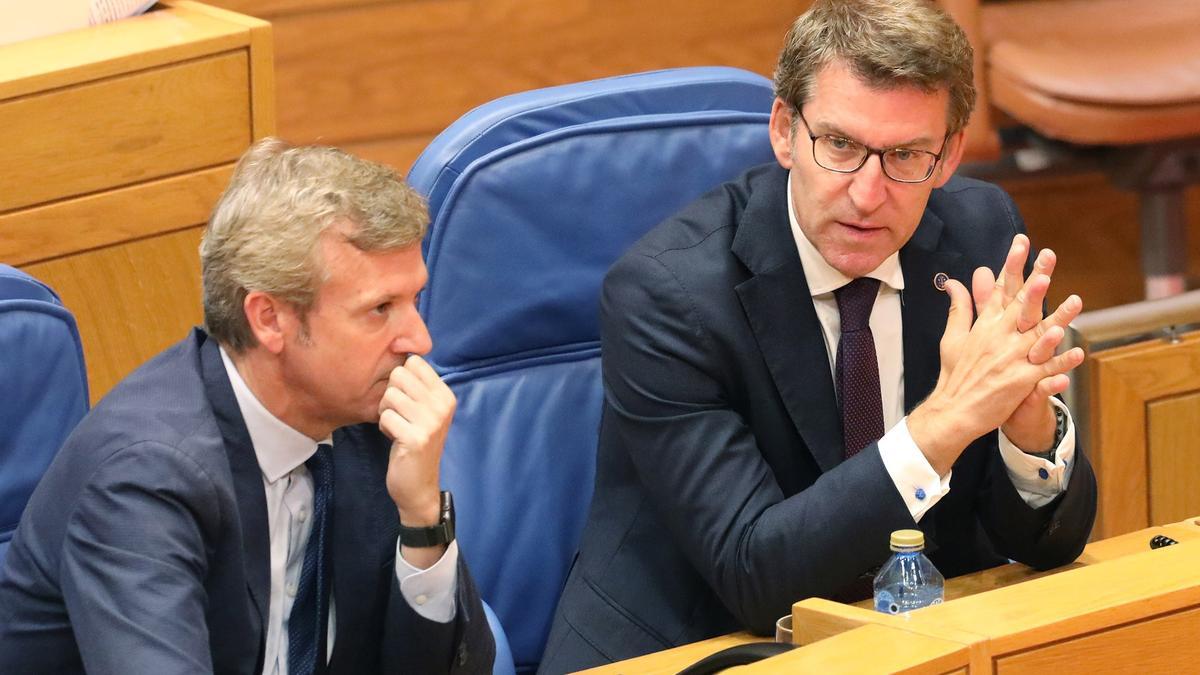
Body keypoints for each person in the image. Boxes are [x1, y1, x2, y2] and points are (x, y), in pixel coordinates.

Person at [539, 1, 1098, 671]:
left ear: (948, 155)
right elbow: (756, 574)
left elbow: (1045, 541)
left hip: (910, 643)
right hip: (695, 648)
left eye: (906, 155)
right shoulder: (667, 295)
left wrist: (1024, 431)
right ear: (784, 131)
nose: (867, 193)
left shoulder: (979, 235)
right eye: (840, 145)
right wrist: (946, 423)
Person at [0, 139, 495, 674]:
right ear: (269, 319)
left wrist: (421, 515)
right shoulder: (144, 477)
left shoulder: (368, 417)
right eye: (380, 309)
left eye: (413, 301)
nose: (418, 340)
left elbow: (459, 669)